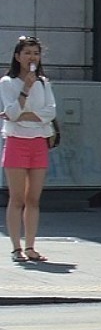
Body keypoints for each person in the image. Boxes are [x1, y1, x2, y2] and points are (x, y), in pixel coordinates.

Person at [1, 34, 56, 263]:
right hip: (16, 141)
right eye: (27, 53)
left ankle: (31, 246)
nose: (32, 57)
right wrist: (25, 89)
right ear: (17, 56)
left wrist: (26, 115)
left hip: (38, 142)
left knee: (33, 198)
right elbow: (11, 112)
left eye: (35, 53)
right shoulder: (7, 83)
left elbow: (50, 113)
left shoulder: (44, 82)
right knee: (17, 198)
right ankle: (16, 248)